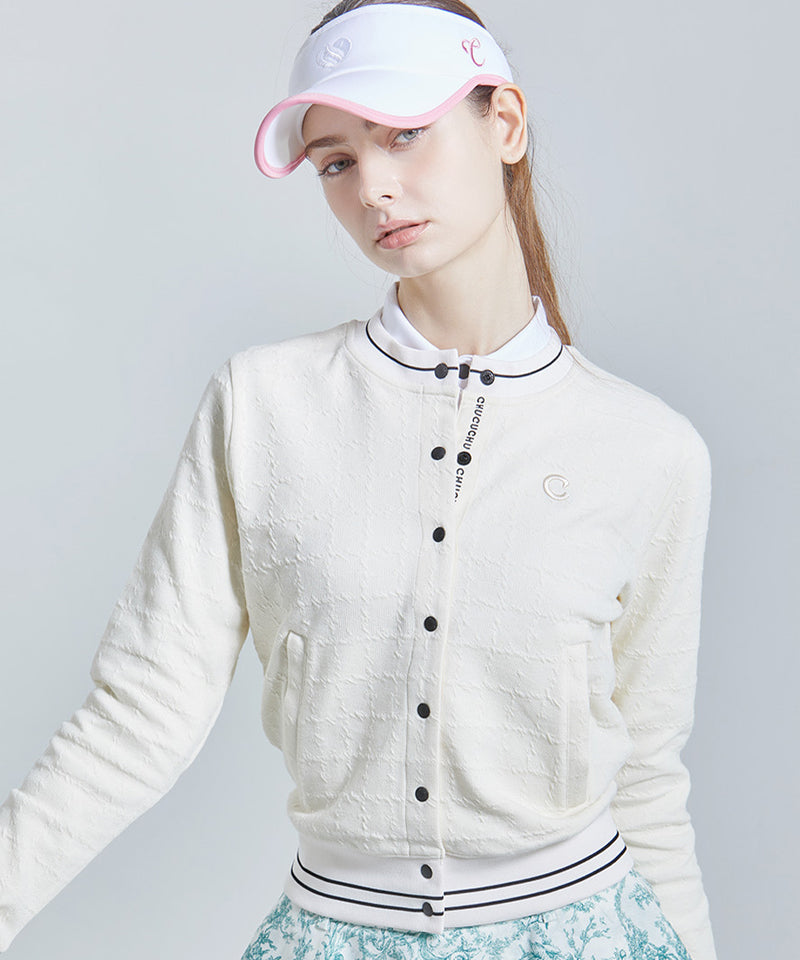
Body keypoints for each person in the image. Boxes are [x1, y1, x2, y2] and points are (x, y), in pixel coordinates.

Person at [0, 1, 718, 958]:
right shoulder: (262, 407)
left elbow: (649, 784)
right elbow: (139, 715)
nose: (374, 186)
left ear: (504, 123)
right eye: (336, 160)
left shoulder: (649, 450)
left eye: (405, 133)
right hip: (336, 931)